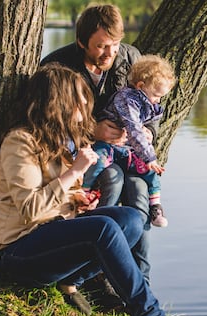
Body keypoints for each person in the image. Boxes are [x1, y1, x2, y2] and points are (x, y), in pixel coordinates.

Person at [0, 63, 198, 316]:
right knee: (104, 228)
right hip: (18, 250)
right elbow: (30, 209)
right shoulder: (20, 142)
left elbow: (62, 197)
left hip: (53, 235)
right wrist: (74, 173)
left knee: (131, 220)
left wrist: (80, 200)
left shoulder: (63, 140)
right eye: (79, 104)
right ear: (58, 105)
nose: (84, 112)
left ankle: (71, 281)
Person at [41, 3, 154, 281]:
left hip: (127, 153)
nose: (111, 53)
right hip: (84, 157)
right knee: (112, 179)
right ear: (82, 42)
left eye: (115, 44)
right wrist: (92, 131)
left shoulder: (131, 57)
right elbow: (49, 122)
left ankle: (140, 279)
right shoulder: (57, 66)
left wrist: (149, 131)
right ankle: (95, 274)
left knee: (140, 195)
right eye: (102, 46)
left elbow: (149, 104)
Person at [82, 54, 176, 228]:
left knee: (150, 171)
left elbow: (145, 126)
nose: (158, 100)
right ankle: (85, 193)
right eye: (156, 95)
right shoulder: (127, 99)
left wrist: (149, 134)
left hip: (126, 148)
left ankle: (155, 205)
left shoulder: (148, 102)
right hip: (108, 144)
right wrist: (149, 156)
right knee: (97, 162)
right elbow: (133, 128)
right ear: (140, 86)